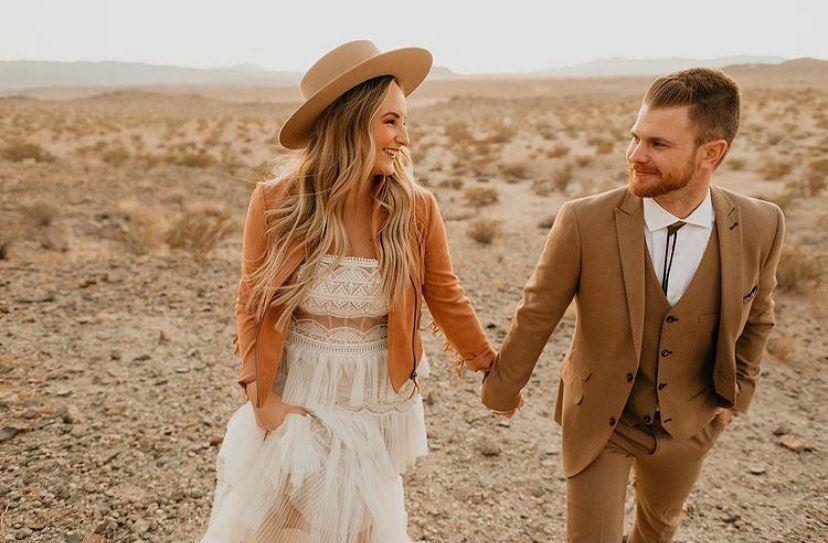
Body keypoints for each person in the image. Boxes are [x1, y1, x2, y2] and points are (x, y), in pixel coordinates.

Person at [197, 40, 495, 543]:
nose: (404, 137)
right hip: (299, 386)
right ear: (351, 123)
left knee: (360, 527)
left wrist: (491, 365)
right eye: (391, 121)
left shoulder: (415, 207)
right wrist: (259, 396)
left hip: (376, 392)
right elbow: (251, 301)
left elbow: (445, 293)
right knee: (284, 525)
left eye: (404, 121)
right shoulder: (276, 202)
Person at [480, 68, 785, 543]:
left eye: (658, 145)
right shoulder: (583, 221)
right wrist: (501, 390)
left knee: (656, 533)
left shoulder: (761, 224)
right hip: (603, 418)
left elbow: (759, 316)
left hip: (691, 422)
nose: (635, 156)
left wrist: (733, 399)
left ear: (712, 153)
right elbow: (537, 311)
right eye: (635, 138)